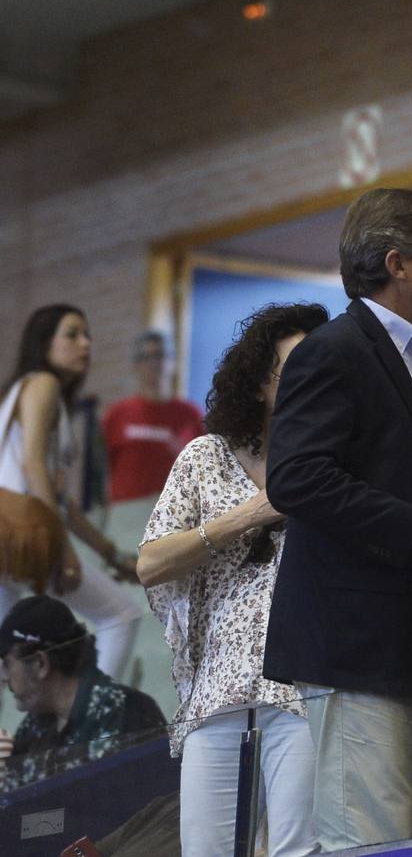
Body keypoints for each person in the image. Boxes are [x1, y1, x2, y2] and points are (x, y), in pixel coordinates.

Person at [262, 189, 412, 851]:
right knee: (369, 839)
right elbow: (295, 478)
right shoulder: (334, 349)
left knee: (399, 838)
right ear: (397, 263)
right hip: (358, 651)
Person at [139, 303, 328, 857]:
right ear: (258, 380)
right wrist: (250, 514)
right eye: (291, 368)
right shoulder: (206, 457)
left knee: (299, 849)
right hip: (218, 688)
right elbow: (150, 561)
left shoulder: (332, 456)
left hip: (304, 682)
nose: (306, 379)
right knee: (205, 850)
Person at [0, 305, 143, 682]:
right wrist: (59, 548)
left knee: (6, 658)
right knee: (121, 615)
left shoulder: (24, 392)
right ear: (44, 342)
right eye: (72, 334)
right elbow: (33, 465)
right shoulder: (43, 384)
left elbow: (64, 504)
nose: (85, 344)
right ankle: (91, 727)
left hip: (10, 541)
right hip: (21, 538)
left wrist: (111, 554)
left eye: (88, 336)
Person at [0, 595, 164, 791]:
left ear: (40, 664)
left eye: (7, 663)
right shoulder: (34, 727)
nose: (4, 677)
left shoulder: (127, 712)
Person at [101, 331, 203, 509]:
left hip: (175, 511)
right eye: (147, 357)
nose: (155, 363)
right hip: (126, 513)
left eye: (161, 355)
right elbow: (100, 470)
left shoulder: (191, 415)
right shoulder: (117, 414)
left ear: (173, 362)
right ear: (136, 365)